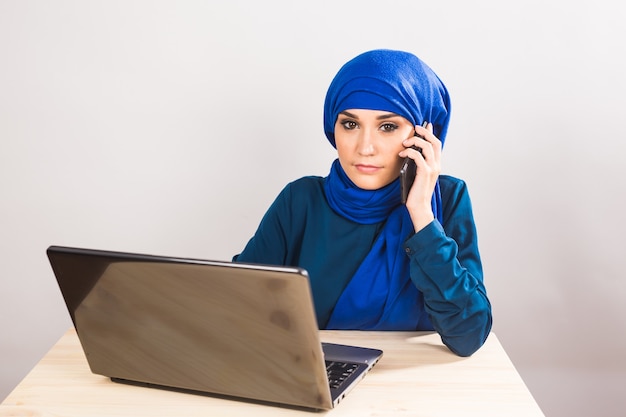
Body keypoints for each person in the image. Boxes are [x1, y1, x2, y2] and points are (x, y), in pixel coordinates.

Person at [233, 49, 492, 357]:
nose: (365, 148)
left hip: (413, 387)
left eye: (388, 126)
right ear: (334, 128)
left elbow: (469, 335)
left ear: (422, 134)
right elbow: (239, 304)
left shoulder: (446, 200)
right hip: (314, 377)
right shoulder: (300, 200)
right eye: (351, 124)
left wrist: (422, 215)